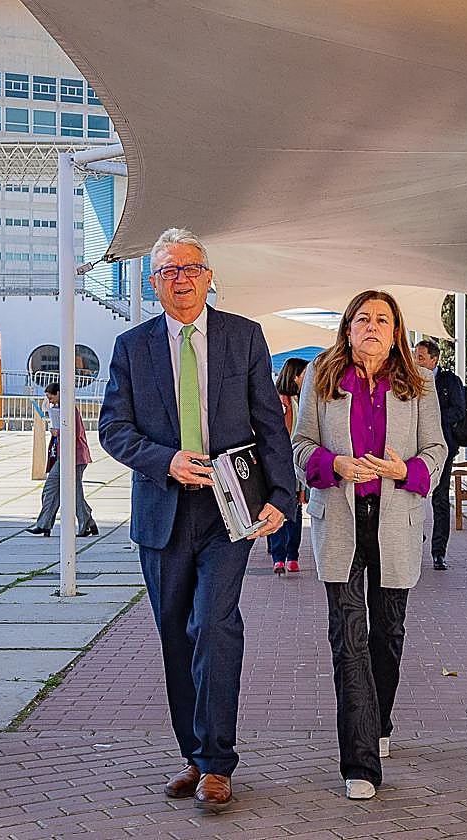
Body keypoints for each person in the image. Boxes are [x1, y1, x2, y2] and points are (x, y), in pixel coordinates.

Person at [98, 228, 295, 812]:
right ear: (153, 283)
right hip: (161, 512)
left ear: (209, 276)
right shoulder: (131, 347)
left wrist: (283, 496)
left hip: (228, 512)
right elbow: (113, 429)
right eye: (168, 271)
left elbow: (271, 422)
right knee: (174, 636)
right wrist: (167, 461)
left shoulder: (244, 337)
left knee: (213, 624)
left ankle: (216, 763)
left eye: (190, 268)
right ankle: (193, 753)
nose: (181, 278)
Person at [292, 290, 446, 801]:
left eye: (383, 319)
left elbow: (437, 448)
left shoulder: (418, 383)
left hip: (394, 518)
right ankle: (359, 763)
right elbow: (300, 446)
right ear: (348, 327)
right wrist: (333, 464)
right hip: (338, 514)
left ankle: (378, 722)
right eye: (363, 319)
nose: (373, 327)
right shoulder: (323, 375)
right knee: (348, 635)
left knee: (388, 632)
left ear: (397, 329)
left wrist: (407, 471)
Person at [413, 339, 466, 570]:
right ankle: (414, 539)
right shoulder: (410, 379)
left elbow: (458, 410)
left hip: (443, 449)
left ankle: (438, 552)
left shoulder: (449, 381)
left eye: (421, 357)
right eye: (415, 356)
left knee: (441, 500)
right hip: (413, 450)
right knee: (412, 497)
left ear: (434, 360)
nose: (416, 361)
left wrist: (431, 417)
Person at [25, 382, 97, 538]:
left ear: (59, 393)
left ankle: (85, 523)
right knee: (52, 489)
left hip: (75, 456)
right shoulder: (56, 409)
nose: (49, 400)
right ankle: (46, 524)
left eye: (50, 396)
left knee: (73, 491)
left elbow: (76, 433)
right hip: (62, 455)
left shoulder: (70, 410)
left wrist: (59, 432)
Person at [269, 357, 309, 575]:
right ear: (294, 376)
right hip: (280, 465)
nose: (308, 378)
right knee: (278, 509)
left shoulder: (303, 401)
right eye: (305, 375)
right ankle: (280, 557)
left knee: (294, 512)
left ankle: (291, 556)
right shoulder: (280, 402)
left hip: (296, 467)